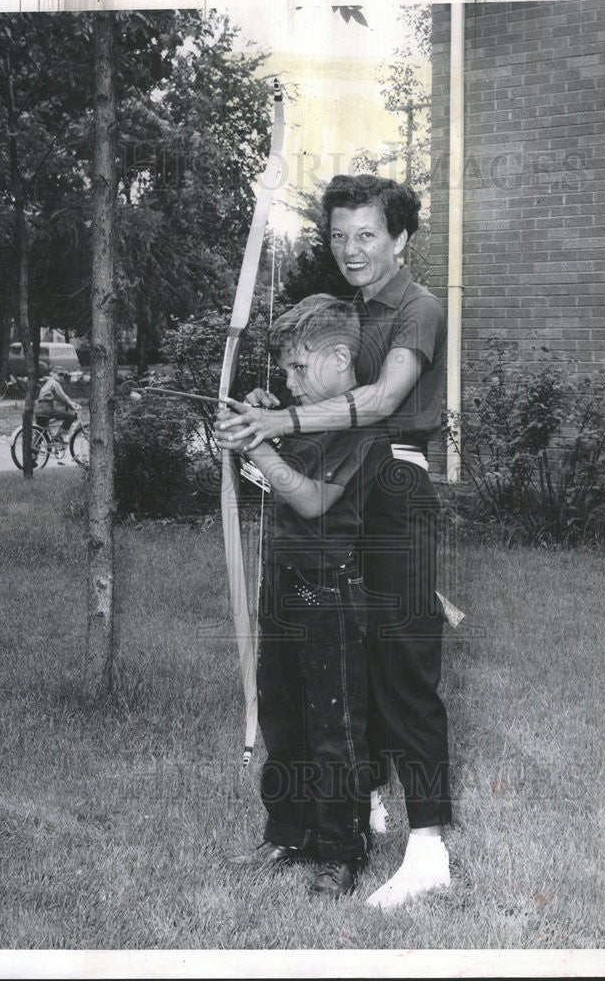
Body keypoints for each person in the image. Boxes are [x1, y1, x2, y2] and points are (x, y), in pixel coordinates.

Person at [217, 174, 452, 910]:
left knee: (407, 668)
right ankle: (353, 805)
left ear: (400, 238)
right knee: (350, 662)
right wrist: (272, 405)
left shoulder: (418, 307)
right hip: (350, 499)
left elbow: (381, 402)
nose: (351, 249)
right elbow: (318, 394)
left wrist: (277, 428)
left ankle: (429, 847)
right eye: (340, 234)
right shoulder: (344, 313)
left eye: (367, 235)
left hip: (398, 490)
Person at [221, 294, 393, 898]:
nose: (288, 382)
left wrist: (262, 445)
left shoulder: (364, 429)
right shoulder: (297, 418)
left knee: (334, 725)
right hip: (284, 581)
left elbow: (315, 500)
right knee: (283, 714)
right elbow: (265, 470)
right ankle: (288, 832)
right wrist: (252, 422)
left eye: (298, 368)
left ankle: (342, 849)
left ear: (341, 357)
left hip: (333, 590)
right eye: (286, 372)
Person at [34, 366, 80, 441]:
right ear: (53, 374)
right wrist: (72, 405)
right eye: (59, 374)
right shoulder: (54, 383)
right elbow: (62, 397)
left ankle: (33, 450)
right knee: (70, 417)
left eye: (63, 375)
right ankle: (59, 437)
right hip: (46, 408)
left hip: (38, 409)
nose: (61, 377)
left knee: (41, 432)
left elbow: (59, 399)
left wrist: (67, 405)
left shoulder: (48, 383)